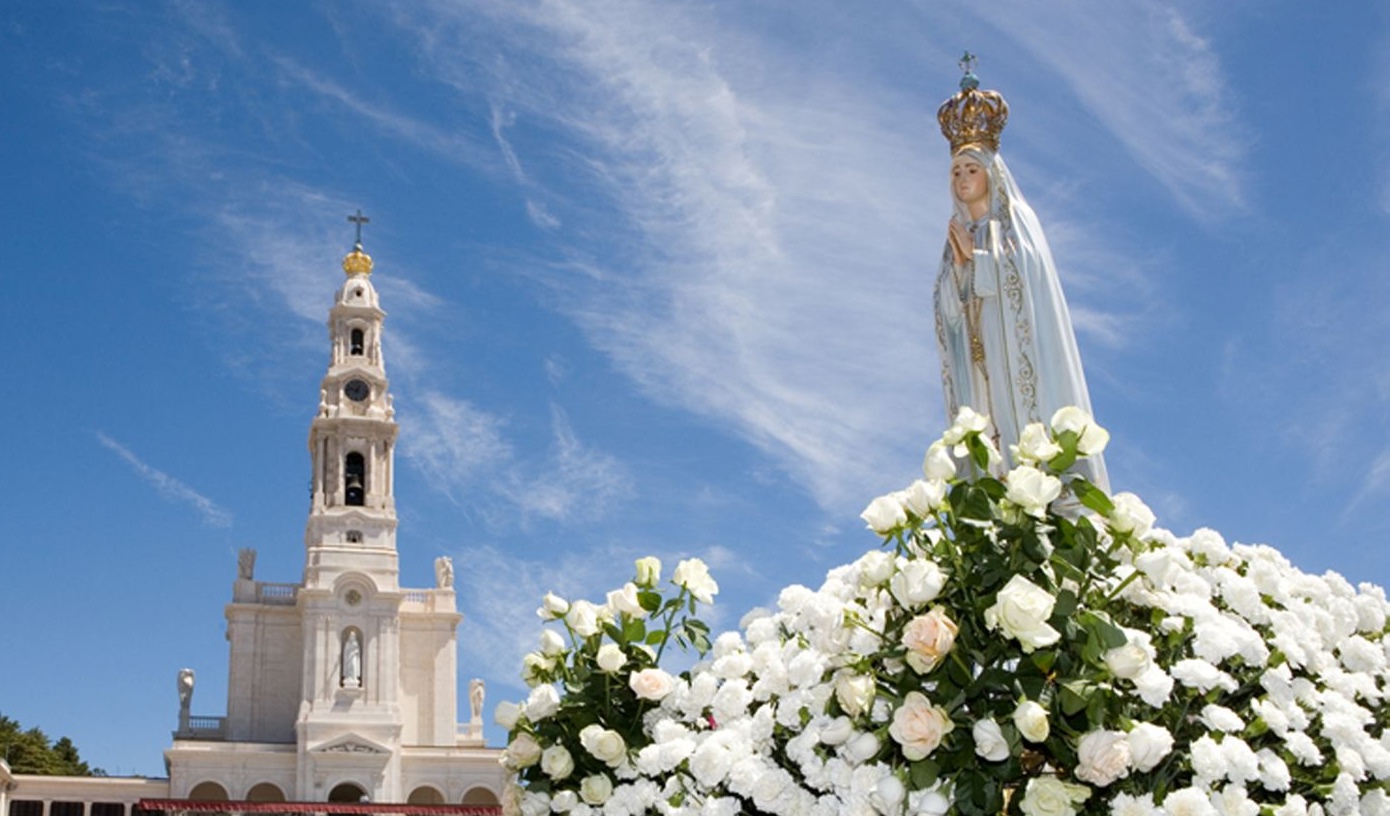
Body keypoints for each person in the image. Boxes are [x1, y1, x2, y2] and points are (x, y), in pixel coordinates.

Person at [934, 58, 1109, 491]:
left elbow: (1028, 280)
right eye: (956, 171)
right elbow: (948, 312)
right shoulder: (957, 234)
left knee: (1026, 445)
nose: (962, 179)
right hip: (979, 367)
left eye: (972, 169)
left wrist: (980, 263)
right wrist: (959, 275)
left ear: (992, 174)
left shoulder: (1016, 223)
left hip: (1017, 360)